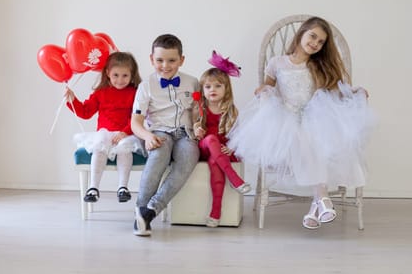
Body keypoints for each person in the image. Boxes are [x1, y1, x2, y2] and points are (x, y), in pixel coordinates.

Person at [227, 16, 376, 230]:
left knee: (314, 136)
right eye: (312, 36)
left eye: (321, 42)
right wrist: (263, 90)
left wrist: (355, 91)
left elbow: (337, 90)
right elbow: (268, 86)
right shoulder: (277, 62)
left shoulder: (319, 65)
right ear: (301, 33)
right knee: (301, 134)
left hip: (315, 116)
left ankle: (319, 203)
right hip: (286, 116)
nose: (315, 43)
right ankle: (321, 200)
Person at [131, 34, 200, 236]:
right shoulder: (146, 86)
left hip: (185, 134)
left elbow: (198, 113)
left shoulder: (193, 82)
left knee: (188, 157)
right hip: (159, 132)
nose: (165, 65)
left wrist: (197, 123)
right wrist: (147, 136)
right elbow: (135, 123)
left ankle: (150, 210)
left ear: (181, 60)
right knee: (159, 153)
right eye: (159, 60)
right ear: (152, 59)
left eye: (171, 60)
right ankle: (140, 210)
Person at [65, 51, 144, 204]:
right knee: (99, 147)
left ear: (132, 74)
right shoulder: (101, 93)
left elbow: (139, 117)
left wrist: (125, 132)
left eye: (125, 76)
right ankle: (93, 187)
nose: (120, 80)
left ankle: (122, 187)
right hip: (105, 134)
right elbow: (85, 112)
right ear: (107, 73)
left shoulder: (135, 94)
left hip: (127, 133)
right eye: (115, 75)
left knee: (124, 148)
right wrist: (72, 99)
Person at [193, 51, 251, 228]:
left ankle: (215, 212)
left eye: (218, 86)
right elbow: (192, 128)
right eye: (208, 87)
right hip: (203, 146)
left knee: (214, 163)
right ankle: (235, 179)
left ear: (226, 89)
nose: (213, 90)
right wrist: (196, 129)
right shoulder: (199, 108)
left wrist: (233, 147)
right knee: (211, 139)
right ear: (203, 90)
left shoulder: (231, 111)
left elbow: (238, 134)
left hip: (221, 153)